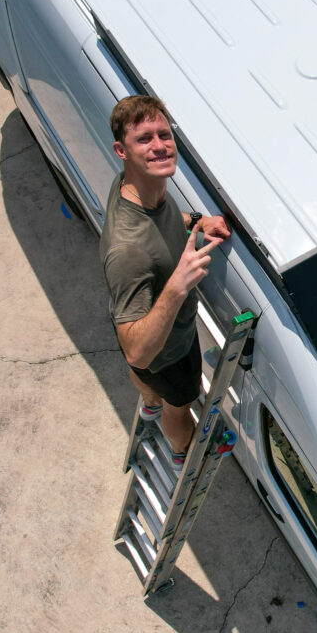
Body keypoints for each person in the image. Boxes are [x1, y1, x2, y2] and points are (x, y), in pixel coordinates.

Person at [100, 95, 231, 463]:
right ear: (120, 150)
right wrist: (178, 285)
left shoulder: (136, 186)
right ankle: (180, 449)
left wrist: (197, 221)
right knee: (181, 405)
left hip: (130, 317)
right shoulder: (128, 251)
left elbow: (164, 223)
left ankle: (149, 405)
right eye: (144, 139)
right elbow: (137, 352)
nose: (159, 145)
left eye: (163, 134)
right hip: (166, 350)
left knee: (148, 382)